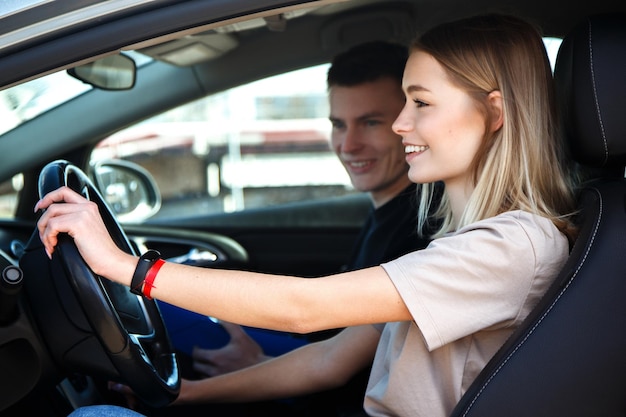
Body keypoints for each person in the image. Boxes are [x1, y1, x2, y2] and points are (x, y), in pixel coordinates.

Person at [39, 13, 578, 417]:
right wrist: (188, 397)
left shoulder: (511, 247)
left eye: (420, 103)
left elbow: (305, 309)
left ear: (496, 111)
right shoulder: (467, 242)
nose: (398, 125)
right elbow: (329, 357)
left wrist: (125, 267)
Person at [188, 40, 439, 382]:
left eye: (371, 123)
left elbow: (346, 368)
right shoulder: (390, 211)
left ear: (408, 122)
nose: (348, 145)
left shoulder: (420, 230)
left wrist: (258, 363)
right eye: (338, 124)